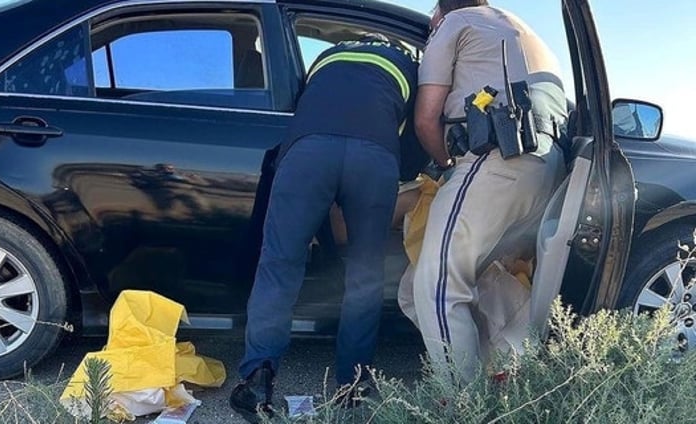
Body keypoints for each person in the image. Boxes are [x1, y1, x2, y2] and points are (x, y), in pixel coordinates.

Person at [228, 33, 425, 422]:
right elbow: (418, 132)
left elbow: (302, 104)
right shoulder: (408, 65)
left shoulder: (329, 55)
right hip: (375, 158)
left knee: (280, 264)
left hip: (308, 152)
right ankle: (353, 385)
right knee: (365, 274)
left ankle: (258, 380)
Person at [406, 0, 568, 383]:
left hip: (493, 161)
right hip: (547, 169)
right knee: (440, 282)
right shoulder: (523, 30)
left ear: (440, 12)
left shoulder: (454, 24)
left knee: (436, 285)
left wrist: (446, 166)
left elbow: (426, 120)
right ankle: (512, 372)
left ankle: (463, 406)